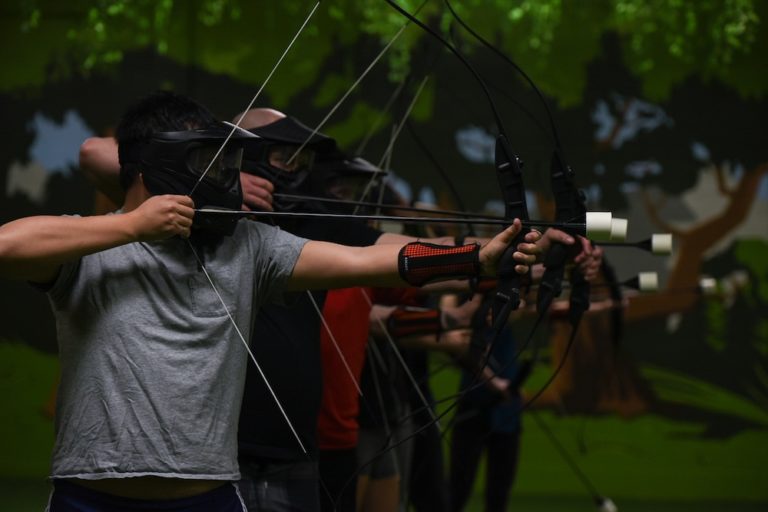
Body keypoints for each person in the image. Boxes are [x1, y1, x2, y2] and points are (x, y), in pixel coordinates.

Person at [0, 90, 536, 512]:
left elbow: (366, 261)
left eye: (226, 159)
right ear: (151, 164)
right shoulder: (88, 248)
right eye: (205, 159)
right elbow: (7, 245)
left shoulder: (250, 247)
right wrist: (137, 226)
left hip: (207, 500)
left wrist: (474, 259)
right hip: (89, 497)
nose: (226, 176)